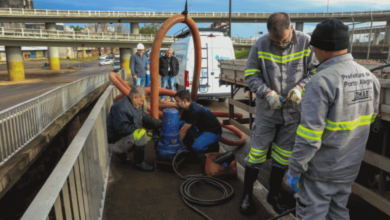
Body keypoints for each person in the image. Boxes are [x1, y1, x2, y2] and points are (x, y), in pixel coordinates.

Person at [287, 18, 380, 220]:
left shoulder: (321, 81)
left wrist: (295, 169)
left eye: (314, 48)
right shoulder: (369, 77)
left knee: (312, 215)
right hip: (349, 166)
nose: (314, 53)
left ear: (323, 49)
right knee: (338, 212)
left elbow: (309, 136)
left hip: (321, 171)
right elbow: (370, 118)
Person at [240, 12, 318, 215]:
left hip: (292, 113)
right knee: (256, 154)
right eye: (275, 41)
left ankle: (273, 194)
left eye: (282, 41)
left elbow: (316, 71)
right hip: (267, 112)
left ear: (291, 28)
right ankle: (247, 194)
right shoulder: (261, 44)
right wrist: (267, 93)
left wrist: (301, 87)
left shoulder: (306, 42)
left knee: (283, 157)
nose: (280, 45)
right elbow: (250, 74)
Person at [106, 85, 162, 171]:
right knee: (141, 133)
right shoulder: (121, 108)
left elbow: (145, 118)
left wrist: (159, 124)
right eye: (141, 101)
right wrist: (138, 124)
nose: (141, 103)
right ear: (134, 97)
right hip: (116, 139)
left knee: (140, 130)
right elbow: (122, 130)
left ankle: (122, 154)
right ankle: (136, 161)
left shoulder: (134, 104)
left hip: (122, 135)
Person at [174, 90, 221, 155]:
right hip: (201, 129)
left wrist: (174, 146)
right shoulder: (186, 109)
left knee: (196, 147)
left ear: (184, 101)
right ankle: (190, 147)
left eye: (177, 101)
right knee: (180, 124)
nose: (175, 103)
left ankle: (212, 148)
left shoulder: (195, 111)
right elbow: (181, 127)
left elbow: (183, 131)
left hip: (213, 132)